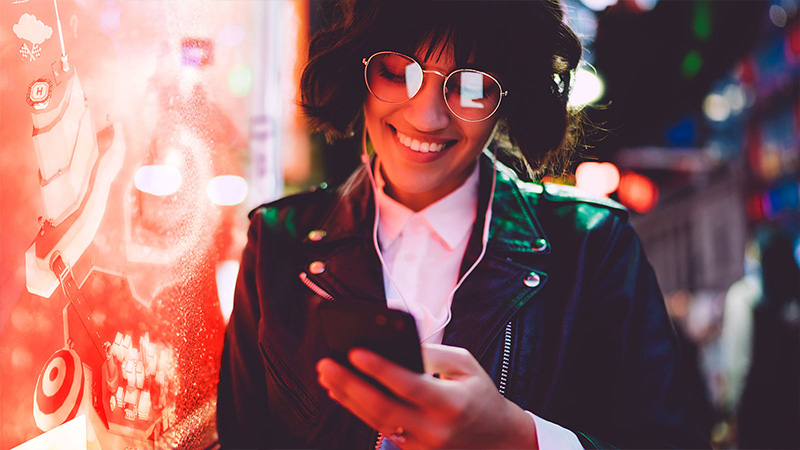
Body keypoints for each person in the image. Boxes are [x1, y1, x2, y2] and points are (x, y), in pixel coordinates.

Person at [217, 1, 709, 448]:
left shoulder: (593, 248)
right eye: (396, 71)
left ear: (509, 97)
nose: (427, 116)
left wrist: (521, 438)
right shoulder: (277, 244)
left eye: (471, 85)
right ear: (358, 67)